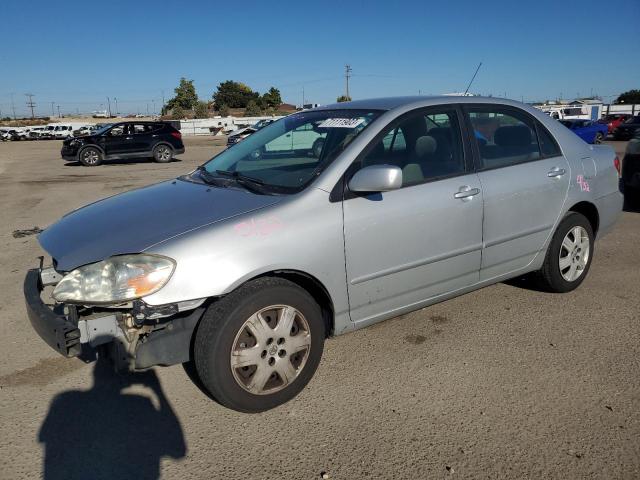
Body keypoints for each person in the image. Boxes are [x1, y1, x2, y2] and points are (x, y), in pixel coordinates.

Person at [39, 359, 186, 480]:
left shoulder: (65, 400)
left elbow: (46, 437)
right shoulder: (141, 402)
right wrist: (158, 390)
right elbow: (178, 450)